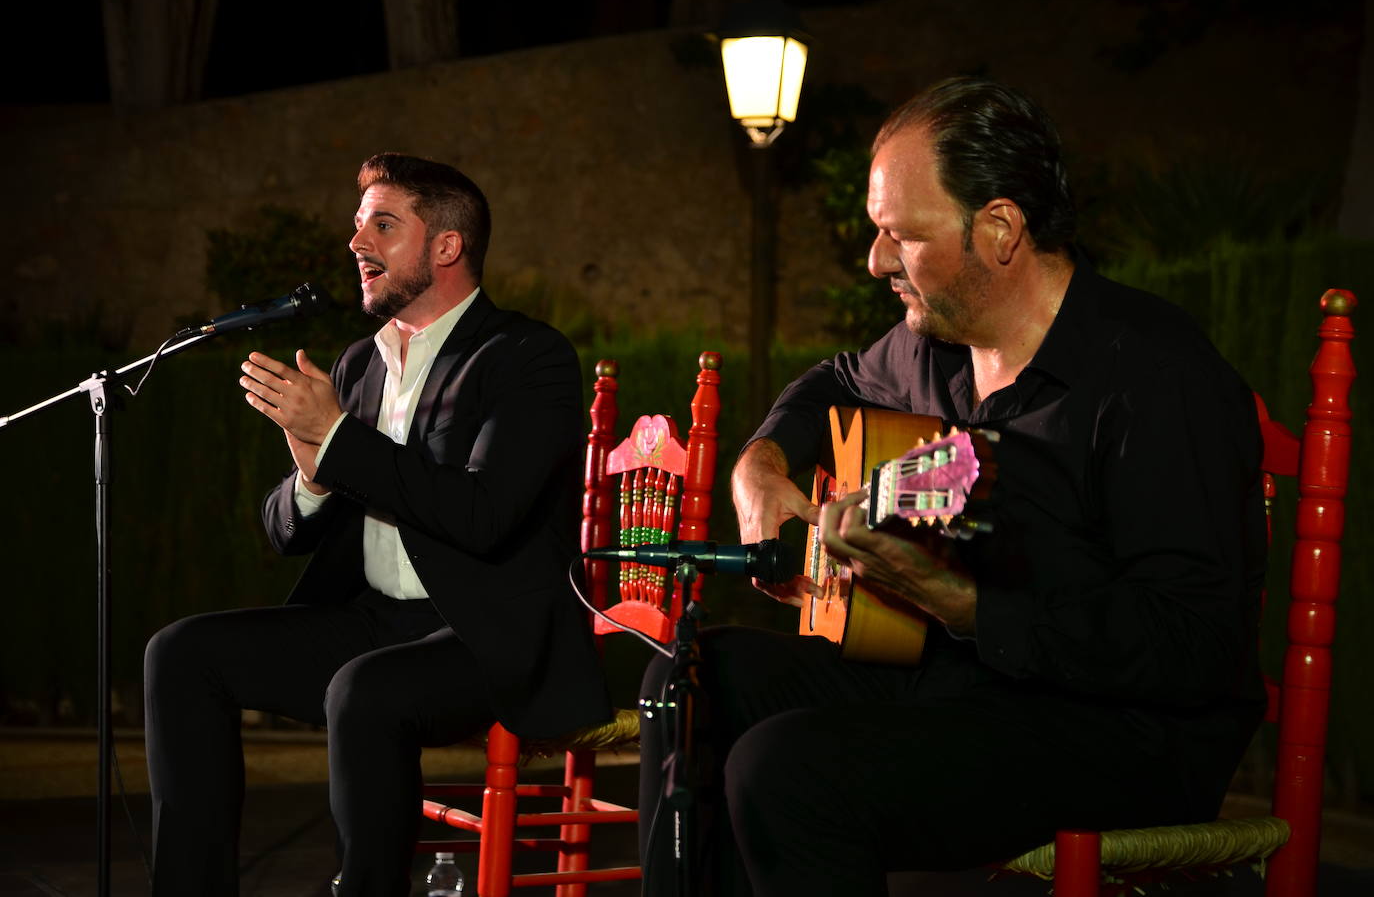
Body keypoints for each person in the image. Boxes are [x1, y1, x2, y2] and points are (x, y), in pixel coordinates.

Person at [637, 77, 1267, 895]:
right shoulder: (931, 346)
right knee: (687, 686)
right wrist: (759, 462)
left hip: (1124, 732)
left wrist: (963, 604)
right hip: (962, 683)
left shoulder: (1155, 378)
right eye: (876, 232)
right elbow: (830, 382)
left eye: (901, 235)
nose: (874, 261)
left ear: (1000, 229)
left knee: (787, 769)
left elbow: (1197, 645)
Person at [143, 153, 610, 897]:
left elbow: (482, 516)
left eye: (383, 226)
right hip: (374, 623)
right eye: (358, 227)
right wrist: (313, 474)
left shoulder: (528, 356)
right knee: (180, 653)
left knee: (365, 691)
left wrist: (340, 441)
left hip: (487, 634)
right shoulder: (357, 364)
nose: (356, 244)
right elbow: (284, 531)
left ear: (447, 246)